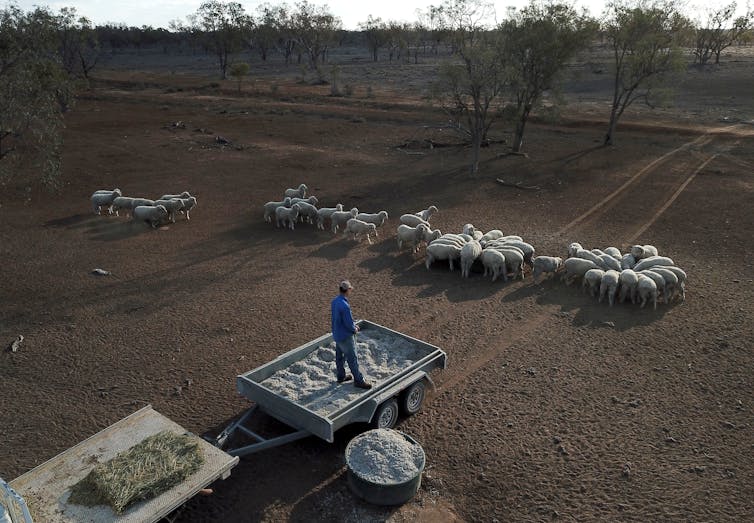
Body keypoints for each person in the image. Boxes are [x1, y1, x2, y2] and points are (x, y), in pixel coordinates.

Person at [331, 280, 372, 389]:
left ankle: (341, 376)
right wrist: (355, 329)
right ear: (348, 290)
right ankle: (358, 380)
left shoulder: (334, 301)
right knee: (352, 359)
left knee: (339, 357)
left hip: (337, 334)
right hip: (345, 336)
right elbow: (348, 323)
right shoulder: (345, 306)